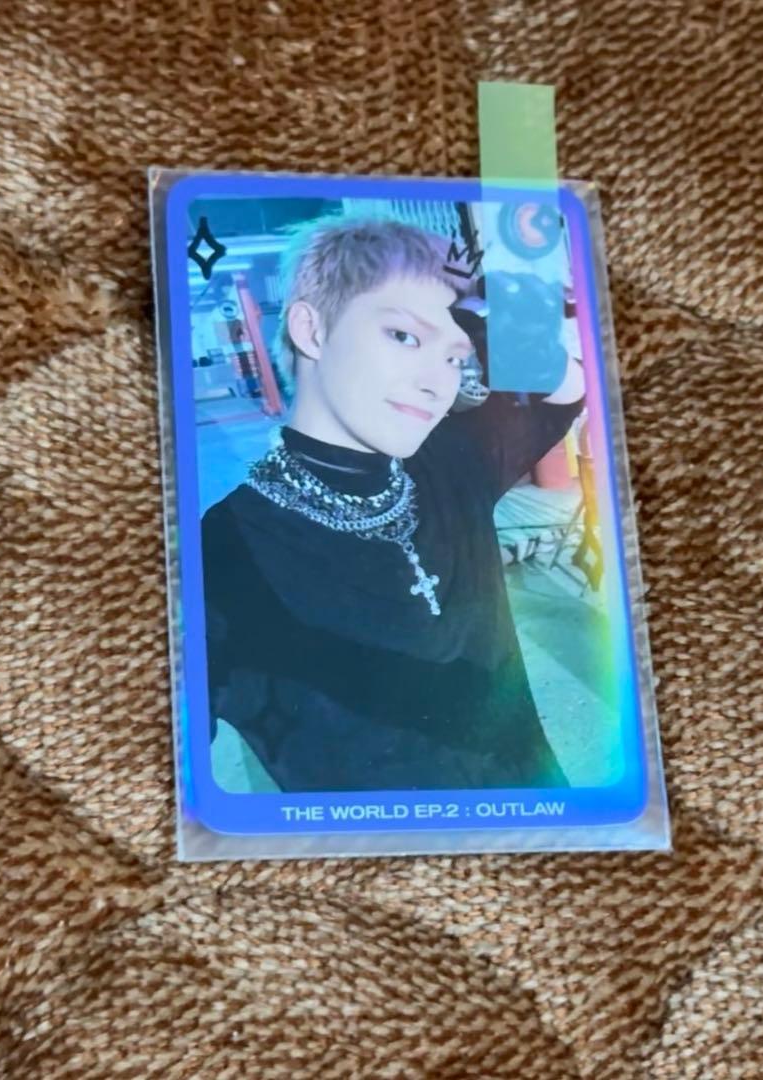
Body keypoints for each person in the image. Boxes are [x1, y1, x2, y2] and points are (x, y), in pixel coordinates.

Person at [200, 216, 586, 793]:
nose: (436, 383)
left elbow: (567, 392)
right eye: (403, 336)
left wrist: (490, 323)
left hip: (538, 819)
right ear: (311, 330)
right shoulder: (222, 551)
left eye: (453, 357)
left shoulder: (451, 461)